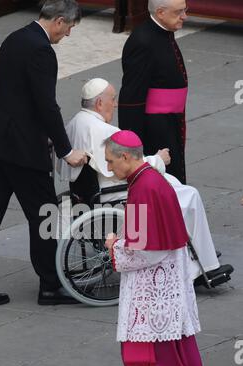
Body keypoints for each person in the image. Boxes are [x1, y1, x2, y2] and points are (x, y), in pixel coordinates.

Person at [0, 0, 87, 310]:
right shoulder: (42, 51)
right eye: (69, 27)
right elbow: (46, 105)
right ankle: (50, 285)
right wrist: (66, 149)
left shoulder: (15, 37)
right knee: (45, 214)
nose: (68, 34)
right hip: (22, 149)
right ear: (58, 21)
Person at [104, 130, 225, 366]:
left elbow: (146, 251)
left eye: (111, 161)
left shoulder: (143, 189)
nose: (108, 169)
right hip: (165, 294)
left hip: (152, 300)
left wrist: (115, 246)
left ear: (127, 157)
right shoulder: (153, 181)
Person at [58, 78, 232, 282]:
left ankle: (198, 255)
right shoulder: (104, 131)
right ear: (99, 103)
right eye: (112, 100)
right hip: (114, 192)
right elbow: (128, 164)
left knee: (179, 190)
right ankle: (204, 266)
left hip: (92, 193)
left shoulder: (75, 122)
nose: (115, 104)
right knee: (190, 195)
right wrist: (159, 159)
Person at [118, 0, 189, 184]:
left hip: (170, 121)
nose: (185, 16)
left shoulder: (164, 33)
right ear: (160, 13)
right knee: (163, 181)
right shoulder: (142, 41)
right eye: (179, 12)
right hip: (155, 130)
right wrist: (133, 147)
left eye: (185, 10)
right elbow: (130, 100)